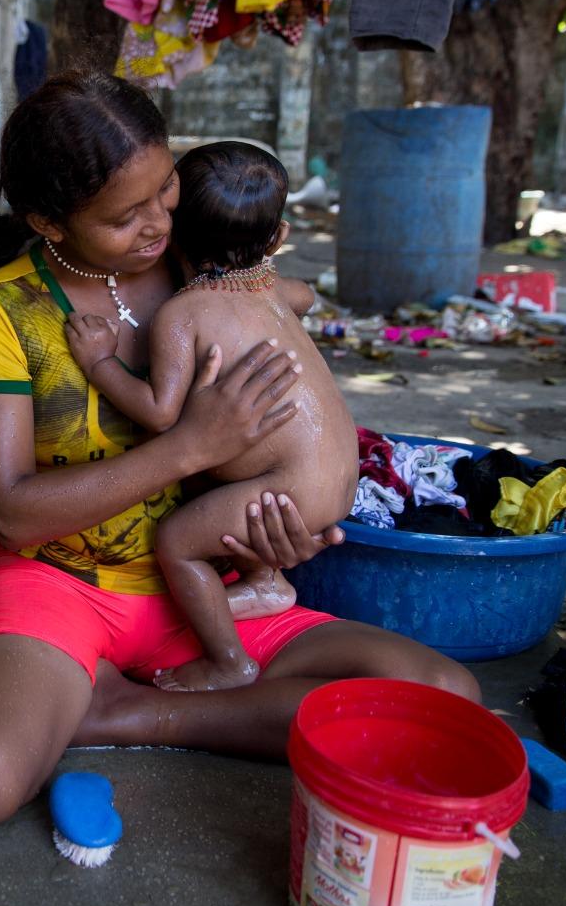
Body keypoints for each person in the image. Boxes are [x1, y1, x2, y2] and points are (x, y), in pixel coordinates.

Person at [0, 71, 477, 831]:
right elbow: (14, 514)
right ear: (49, 222)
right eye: (126, 216)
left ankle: (123, 712)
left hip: (206, 595)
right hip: (63, 584)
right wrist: (189, 448)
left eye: (166, 194)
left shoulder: (203, 262)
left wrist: (277, 526)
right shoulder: (3, 308)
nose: (157, 226)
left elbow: (285, 376)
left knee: (441, 699)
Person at [63, 142, 356, 694]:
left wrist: (101, 362)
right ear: (278, 238)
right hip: (340, 479)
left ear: (169, 232)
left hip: (288, 495)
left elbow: (159, 412)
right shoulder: (279, 289)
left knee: (176, 541)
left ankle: (229, 663)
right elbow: (308, 294)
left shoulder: (181, 314)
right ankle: (265, 583)